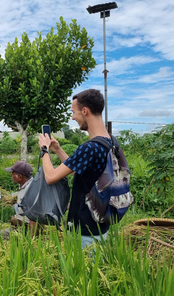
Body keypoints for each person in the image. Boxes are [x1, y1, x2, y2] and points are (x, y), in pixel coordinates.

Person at [38, 89, 111, 248]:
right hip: (102, 222)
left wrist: (44, 149)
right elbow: (79, 169)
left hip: (84, 230)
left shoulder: (90, 147)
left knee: (81, 272)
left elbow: (50, 176)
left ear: (85, 111)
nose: (72, 117)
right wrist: (57, 149)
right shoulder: (110, 142)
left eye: (73, 112)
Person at [4, 161, 35, 226]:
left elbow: (34, 216)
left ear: (20, 177)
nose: (11, 175)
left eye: (13, 173)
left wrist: (30, 236)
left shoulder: (31, 190)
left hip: (26, 226)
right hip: (20, 222)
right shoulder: (24, 184)